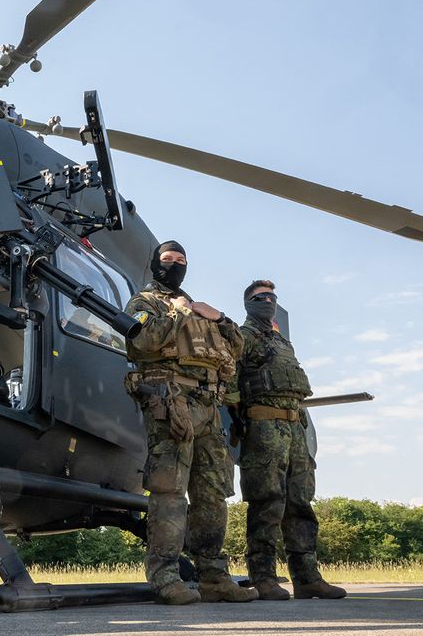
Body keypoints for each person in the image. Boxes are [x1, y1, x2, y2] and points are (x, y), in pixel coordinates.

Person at [123, 241, 256, 605]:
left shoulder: (200, 309)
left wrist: (221, 318)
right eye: (168, 260)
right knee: (169, 490)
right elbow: (142, 340)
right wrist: (180, 314)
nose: (175, 265)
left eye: (181, 261)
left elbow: (237, 348)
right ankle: (166, 577)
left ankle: (213, 577)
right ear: (155, 264)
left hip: (209, 404)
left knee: (213, 491)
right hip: (171, 400)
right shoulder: (144, 303)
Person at [236, 280, 347, 600]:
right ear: (249, 303)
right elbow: (230, 384)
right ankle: (264, 577)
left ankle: (307, 577)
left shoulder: (282, 342)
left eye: (272, 296)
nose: (268, 300)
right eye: (261, 297)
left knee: (300, 502)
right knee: (267, 501)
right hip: (264, 425)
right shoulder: (244, 338)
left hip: (294, 426)